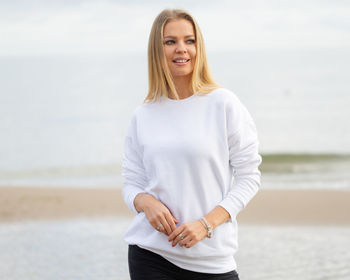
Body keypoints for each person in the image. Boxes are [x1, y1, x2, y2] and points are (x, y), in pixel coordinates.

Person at [122, 8, 262, 280]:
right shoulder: (144, 114)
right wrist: (144, 202)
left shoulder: (224, 104)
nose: (181, 49)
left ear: (199, 47)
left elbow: (249, 177)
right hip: (150, 256)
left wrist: (206, 225)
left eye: (189, 40)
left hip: (212, 261)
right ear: (157, 50)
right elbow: (131, 181)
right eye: (170, 42)